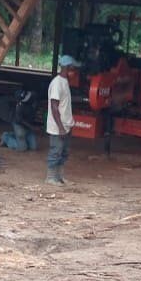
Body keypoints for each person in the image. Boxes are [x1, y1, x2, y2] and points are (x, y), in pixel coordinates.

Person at [46, 54, 80, 184]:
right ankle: (50, 177)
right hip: (58, 127)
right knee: (56, 152)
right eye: (73, 68)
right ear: (68, 67)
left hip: (65, 125)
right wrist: (60, 127)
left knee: (63, 153)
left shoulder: (64, 82)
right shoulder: (57, 83)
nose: (75, 71)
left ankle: (59, 177)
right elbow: (54, 107)